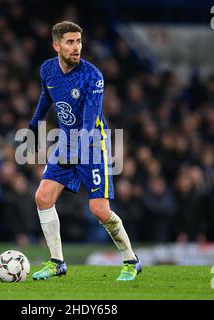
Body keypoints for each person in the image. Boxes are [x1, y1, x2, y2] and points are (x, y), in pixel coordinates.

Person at [27, 21, 141, 281]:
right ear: (56, 46)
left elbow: (90, 122)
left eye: (78, 41)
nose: (76, 47)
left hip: (93, 144)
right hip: (67, 141)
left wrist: (76, 151)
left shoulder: (92, 76)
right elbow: (46, 96)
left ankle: (131, 260)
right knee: (43, 197)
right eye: (70, 42)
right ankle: (57, 262)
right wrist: (34, 125)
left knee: (99, 210)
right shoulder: (47, 69)